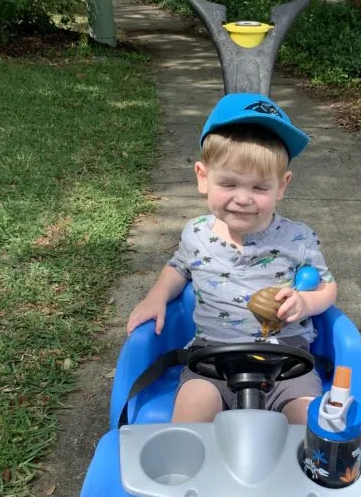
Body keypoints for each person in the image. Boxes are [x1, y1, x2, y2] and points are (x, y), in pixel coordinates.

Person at [126, 93, 338, 424]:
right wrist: (156, 297)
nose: (242, 199)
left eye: (259, 188)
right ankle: (190, 473)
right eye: (228, 183)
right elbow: (178, 268)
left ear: (282, 186)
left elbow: (327, 287)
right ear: (202, 177)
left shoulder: (299, 238)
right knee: (192, 412)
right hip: (212, 364)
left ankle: (302, 473)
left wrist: (306, 303)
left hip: (287, 365)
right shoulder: (196, 234)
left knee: (309, 425)